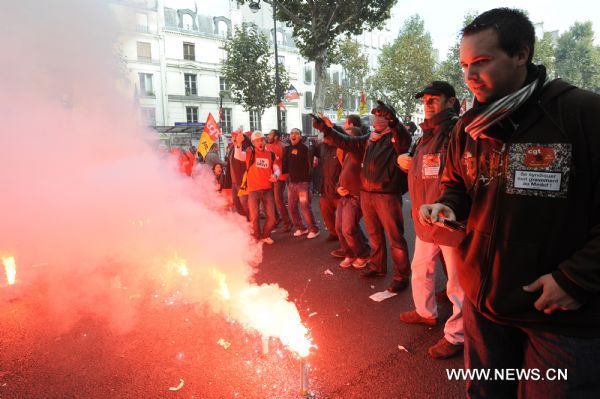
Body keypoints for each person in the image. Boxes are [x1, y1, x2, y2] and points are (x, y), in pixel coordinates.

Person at [420, 8, 600, 397]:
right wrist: (449, 206)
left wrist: (576, 279)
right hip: (484, 309)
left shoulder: (582, 113)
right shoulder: (468, 127)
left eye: (482, 62)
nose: (469, 76)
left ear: (521, 54)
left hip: (559, 319)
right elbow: (456, 184)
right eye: (465, 64)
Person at [312, 102, 412, 292]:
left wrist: (394, 121)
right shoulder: (369, 139)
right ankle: (377, 266)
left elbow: (403, 138)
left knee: (395, 238)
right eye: (375, 115)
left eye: (381, 116)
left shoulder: (397, 138)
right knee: (374, 236)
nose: (376, 119)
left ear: (389, 118)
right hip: (367, 193)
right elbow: (346, 141)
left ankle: (401, 275)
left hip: (387, 195)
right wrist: (327, 129)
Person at [397, 81, 465, 360]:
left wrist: (446, 206)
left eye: (434, 98)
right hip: (426, 217)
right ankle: (426, 312)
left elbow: (458, 172)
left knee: (457, 283)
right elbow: (424, 167)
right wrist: (409, 160)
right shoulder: (425, 134)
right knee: (421, 267)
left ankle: (458, 335)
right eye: (425, 99)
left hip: (448, 217)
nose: (427, 102)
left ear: (451, 101)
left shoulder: (456, 131)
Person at [335, 126, 370, 269]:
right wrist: (338, 187)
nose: (344, 139)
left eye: (347, 136)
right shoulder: (347, 153)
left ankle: (363, 255)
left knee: (348, 229)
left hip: (355, 197)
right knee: (339, 227)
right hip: (344, 196)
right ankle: (350, 253)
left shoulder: (359, 152)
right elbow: (343, 172)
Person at [235, 131, 279, 244]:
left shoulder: (271, 154)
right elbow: (238, 155)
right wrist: (238, 144)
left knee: (272, 218)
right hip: (253, 191)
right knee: (254, 218)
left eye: (261, 140)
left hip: (267, 190)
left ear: (264, 141)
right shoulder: (250, 154)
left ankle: (265, 235)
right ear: (253, 143)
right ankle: (256, 236)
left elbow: (277, 168)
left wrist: (276, 175)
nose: (260, 142)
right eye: (257, 140)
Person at [282, 128, 320, 239]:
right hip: (292, 183)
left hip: (303, 183)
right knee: (292, 207)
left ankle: (314, 229)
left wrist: (310, 179)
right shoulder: (287, 149)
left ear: (300, 136)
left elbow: (312, 164)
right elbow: (285, 164)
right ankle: (301, 228)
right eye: (291, 133)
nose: (293, 135)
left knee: (304, 207)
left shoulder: (305, 148)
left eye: (296, 133)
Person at [315, 135, 342, 242]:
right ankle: (333, 233)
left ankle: (347, 241)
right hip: (325, 189)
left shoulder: (341, 148)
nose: (324, 137)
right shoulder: (322, 147)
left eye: (327, 135)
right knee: (326, 214)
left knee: (343, 219)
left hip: (338, 189)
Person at [266, 129, 292, 232]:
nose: (268, 136)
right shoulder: (267, 146)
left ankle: (287, 222)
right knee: (270, 201)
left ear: (276, 137)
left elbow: (284, 160)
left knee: (278, 201)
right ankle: (277, 219)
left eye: (270, 134)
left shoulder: (283, 147)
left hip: (280, 177)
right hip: (269, 177)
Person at [225, 129, 251, 218]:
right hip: (234, 183)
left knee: (245, 205)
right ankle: (245, 223)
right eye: (232, 136)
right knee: (237, 205)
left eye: (235, 136)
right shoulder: (232, 148)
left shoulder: (246, 148)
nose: (233, 138)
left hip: (242, 182)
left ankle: (252, 224)